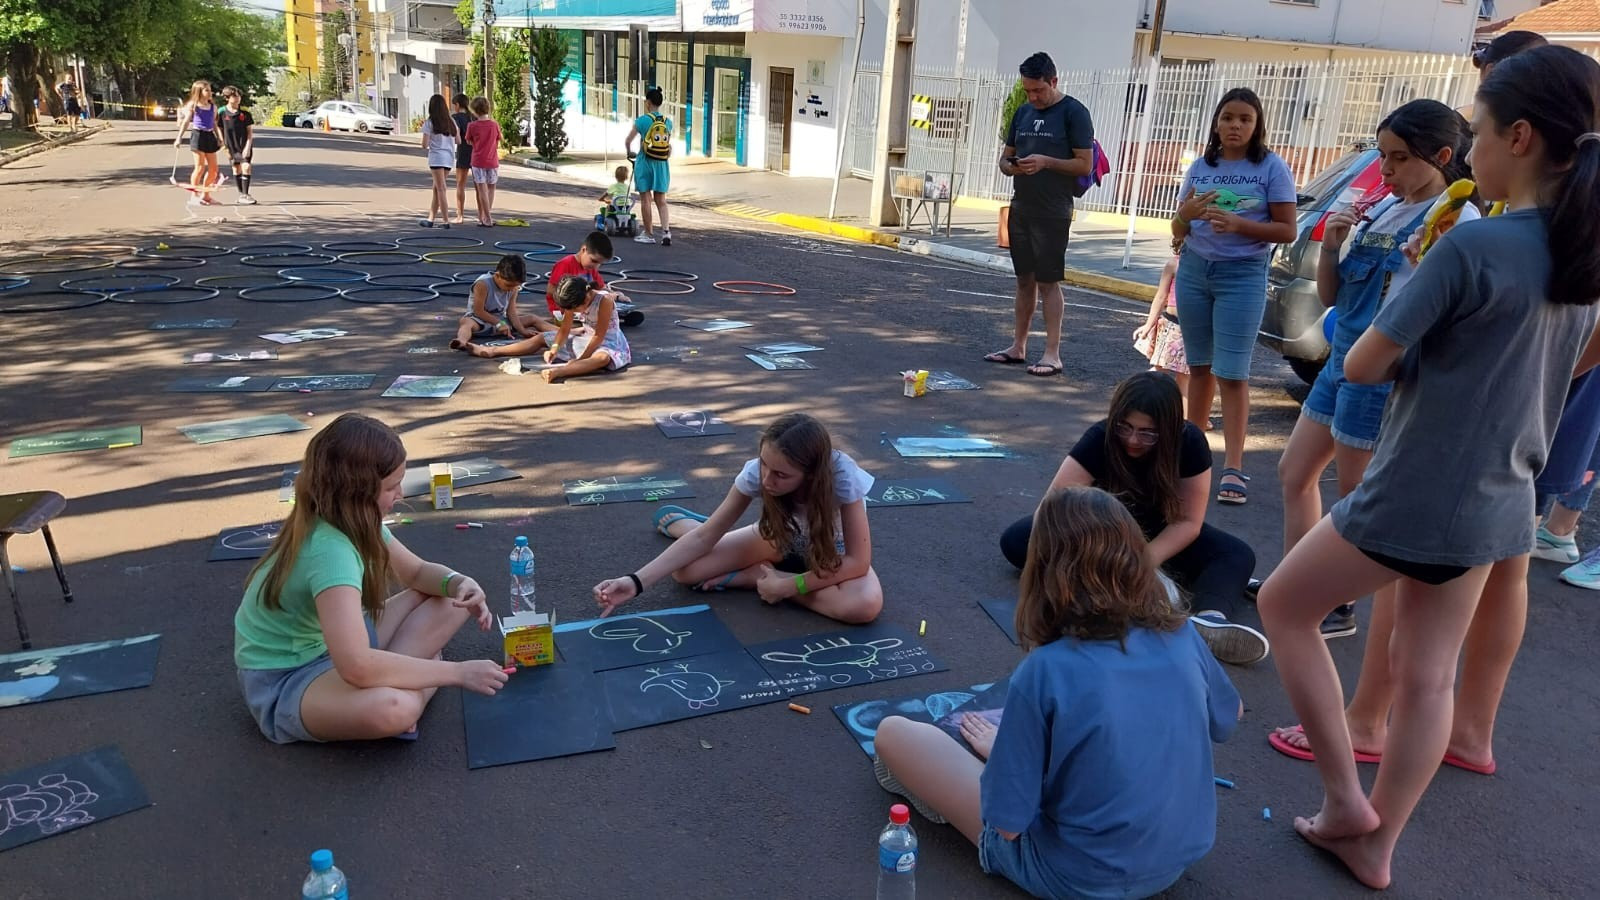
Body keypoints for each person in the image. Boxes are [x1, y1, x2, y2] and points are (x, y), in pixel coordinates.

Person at [1256, 47, 1600, 890]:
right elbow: (1579, 358)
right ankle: (1376, 845)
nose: (1469, 150)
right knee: (1428, 678)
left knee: (1284, 607)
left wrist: (1427, 325)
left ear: (1519, 137)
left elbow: (1364, 363)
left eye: (1478, 131)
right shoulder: (1584, 250)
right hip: (1501, 496)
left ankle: (1345, 800)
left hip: (1420, 487)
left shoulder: (1472, 244)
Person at [875, 486, 1240, 899]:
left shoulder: (1046, 668)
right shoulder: (1180, 632)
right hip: (1174, 860)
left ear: (1044, 569)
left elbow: (1008, 825)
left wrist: (1007, 760)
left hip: (1076, 877)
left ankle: (937, 796)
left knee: (893, 733)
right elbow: (1229, 716)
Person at [1277, 99, 1475, 642]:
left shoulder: (1455, 221)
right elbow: (1332, 297)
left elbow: (1445, 316)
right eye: (1382, 155)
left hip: (1379, 374)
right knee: (1295, 473)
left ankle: (1337, 605)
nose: (1385, 169)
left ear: (1442, 156)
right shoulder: (1384, 208)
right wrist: (1331, 247)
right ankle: (1301, 586)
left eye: (1399, 158)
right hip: (1338, 362)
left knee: (1358, 500)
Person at [233, 414, 507, 744]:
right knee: (395, 709)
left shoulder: (351, 519)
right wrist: (457, 673)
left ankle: (406, 676)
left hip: (331, 648)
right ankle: (413, 687)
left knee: (453, 599)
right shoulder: (329, 552)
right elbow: (357, 666)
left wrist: (459, 582)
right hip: (287, 678)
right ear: (357, 492)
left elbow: (417, 573)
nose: (400, 493)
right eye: (391, 487)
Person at [1000, 372, 1266, 664]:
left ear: (1170, 428)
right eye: (1125, 427)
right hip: (1103, 533)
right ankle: (1137, 587)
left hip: (1163, 531)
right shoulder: (1100, 437)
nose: (1133, 440)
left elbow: (1188, 522)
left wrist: (1140, 565)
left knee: (1236, 555)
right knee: (1018, 540)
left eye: (1148, 433)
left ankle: (1208, 621)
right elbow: (1053, 508)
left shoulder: (1190, 442)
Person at [593, 413, 882, 624]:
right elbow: (706, 537)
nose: (767, 480)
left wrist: (788, 586)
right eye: (764, 464)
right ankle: (699, 529)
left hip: (830, 554)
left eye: (781, 475)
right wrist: (635, 582)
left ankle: (759, 576)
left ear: (811, 475)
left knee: (862, 607)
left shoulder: (842, 477)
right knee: (686, 572)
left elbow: (857, 561)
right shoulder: (758, 473)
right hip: (779, 540)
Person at [1172, 87, 1298, 505]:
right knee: (1198, 367)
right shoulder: (1200, 166)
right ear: (1216, 122)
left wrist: (1240, 225)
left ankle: (1234, 466)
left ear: (1257, 125)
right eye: (1227, 117)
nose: (1235, 126)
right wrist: (1184, 216)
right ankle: (1192, 458)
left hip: (1242, 275)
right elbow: (1178, 229)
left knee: (1231, 373)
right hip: (1194, 271)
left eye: (1245, 119)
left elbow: (1287, 230)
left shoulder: (1271, 167)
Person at [984, 51, 1093, 378]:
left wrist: (1046, 162)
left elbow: (1084, 164)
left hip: (1053, 211)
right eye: (1028, 91)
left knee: (1048, 282)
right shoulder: (1023, 113)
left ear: (1053, 81)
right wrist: (1011, 166)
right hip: (1022, 206)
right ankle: (1018, 346)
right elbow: (1005, 158)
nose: (1033, 97)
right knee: (1023, 280)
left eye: (1038, 90)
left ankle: (1052, 354)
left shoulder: (1074, 113)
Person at [537, 274, 633, 382]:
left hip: (608, 343)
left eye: (575, 309)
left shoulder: (605, 300)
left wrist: (581, 359)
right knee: (543, 337)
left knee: (602, 359)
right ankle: (517, 352)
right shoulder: (575, 300)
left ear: (586, 299)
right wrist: (554, 349)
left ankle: (559, 371)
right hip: (586, 339)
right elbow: (564, 329)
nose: (573, 312)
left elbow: (599, 336)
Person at [1133, 236, 1191, 409]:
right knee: (1159, 369)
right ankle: (1136, 398)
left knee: (1185, 377)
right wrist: (1149, 324)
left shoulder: (1204, 268)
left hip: (1191, 329)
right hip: (1171, 326)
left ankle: (1189, 417)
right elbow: (1161, 296)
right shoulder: (1174, 264)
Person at [449, 254, 548, 353]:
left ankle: (555, 333)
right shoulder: (483, 284)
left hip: (502, 321)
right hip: (479, 321)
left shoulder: (514, 288)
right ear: (497, 275)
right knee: (466, 322)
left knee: (532, 318)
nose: (511, 289)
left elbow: (511, 312)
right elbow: (478, 311)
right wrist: (499, 323)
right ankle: (461, 341)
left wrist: (522, 331)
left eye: (515, 286)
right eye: (508, 285)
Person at [623, 87, 673, 245]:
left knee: (646, 198)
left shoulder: (642, 121)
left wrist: (629, 152)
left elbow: (628, 140)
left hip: (645, 162)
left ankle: (648, 233)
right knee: (661, 199)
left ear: (648, 103)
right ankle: (666, 232)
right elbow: (668, 146)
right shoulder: (668, 122)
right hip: (662, 165)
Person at [174, 80, 223, 205]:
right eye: (207, 90)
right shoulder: (193, 105)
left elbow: (214, 123)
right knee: (200, 167)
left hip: (209, 136)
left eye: (210, 90)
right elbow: (186, 122)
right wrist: (179, 137)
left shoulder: (213, 107)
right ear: (199, 92)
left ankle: (206, 195)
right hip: (198, 135)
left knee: (214, 169)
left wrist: (219, 137)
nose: (210, 92)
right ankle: (194, 195)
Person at [420, 94, 458, 227]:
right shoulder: (451, 122)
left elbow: (424, 144)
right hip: (449, 158)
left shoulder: (430, 123)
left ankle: (445, 221)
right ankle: (431, 218)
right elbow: (458, 140)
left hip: (436, 157)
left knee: (441, 188)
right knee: (437, 187)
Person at [464, 97, 501, 226]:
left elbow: (468, 141)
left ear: (474, 111)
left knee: (482, 189)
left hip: (478, 160)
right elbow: (498, 140)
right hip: (492, 160)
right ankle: (487, 216)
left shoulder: (472, 126)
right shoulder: (494, 125)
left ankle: (487, 217)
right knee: (491, 188)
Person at [218, 86, 257, 205]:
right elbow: (219, 128)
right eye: (234, 96)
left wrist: (247, 147)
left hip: (243, 144)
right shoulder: (222, 112)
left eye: (239, 95)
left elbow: (249, 132)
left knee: (246, 166)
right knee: (236, 168)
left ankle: (245, 194)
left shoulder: (245, 114)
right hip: (230, 145)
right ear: (227, 98)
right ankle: (241, 194)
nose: (237, 98)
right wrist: (223, 145)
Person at [451, 94, 475, 225]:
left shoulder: (455, 118)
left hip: (463, 151)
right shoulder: (474, 117)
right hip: (476, 151)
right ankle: (483, 214)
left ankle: (460, 215)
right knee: (479, 185)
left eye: (454, 105)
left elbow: (455, 135)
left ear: (458, 105)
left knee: (460, 184)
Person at [597, 165, 634, 231]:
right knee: (614, 203)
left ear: (616, 176)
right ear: (626, 177)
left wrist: (601, 199)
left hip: (616, 206)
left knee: (608, 207)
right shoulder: (627, 187)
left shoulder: (614, 186)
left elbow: (606, 194)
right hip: (627, 206)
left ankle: (605, 220)